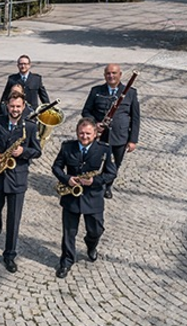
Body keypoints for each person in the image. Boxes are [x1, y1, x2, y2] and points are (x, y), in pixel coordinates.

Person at [0, 91, 42, 273]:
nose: (15, 109)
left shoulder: (30, 127)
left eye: (18, 106)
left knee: (14, 219)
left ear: (23, 107)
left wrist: (23, 151)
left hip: (17, 179)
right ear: (6, 105)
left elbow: (37, 151)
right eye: (12, 106)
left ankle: (9, 254)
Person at [52, 117, 117, 279]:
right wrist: (67, 179)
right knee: (69, 233)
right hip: (71, 197)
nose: (84, 136)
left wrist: (94, 181)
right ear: (76, 133)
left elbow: (111, 173)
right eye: (81, 133)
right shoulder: (67, 147)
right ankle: (66, 261)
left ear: (95, 134)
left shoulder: (105, 150)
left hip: (93, 197)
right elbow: (56, 167)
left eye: (88, 133)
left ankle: (91, 244)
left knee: (96, 230)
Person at [81, 64, 139, 199]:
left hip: (120, 136)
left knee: (114, 164)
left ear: (120, 74)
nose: (111, 76)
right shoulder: (96, 90)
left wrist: (132, 140)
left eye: (114, 73)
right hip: (100, 136)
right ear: (104, 75)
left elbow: (135, 118)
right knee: (94, 161)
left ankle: (107, 186)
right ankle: (92, 184)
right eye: (108, 73)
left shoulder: (130, 92)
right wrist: (95, 124)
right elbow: (86, 111)